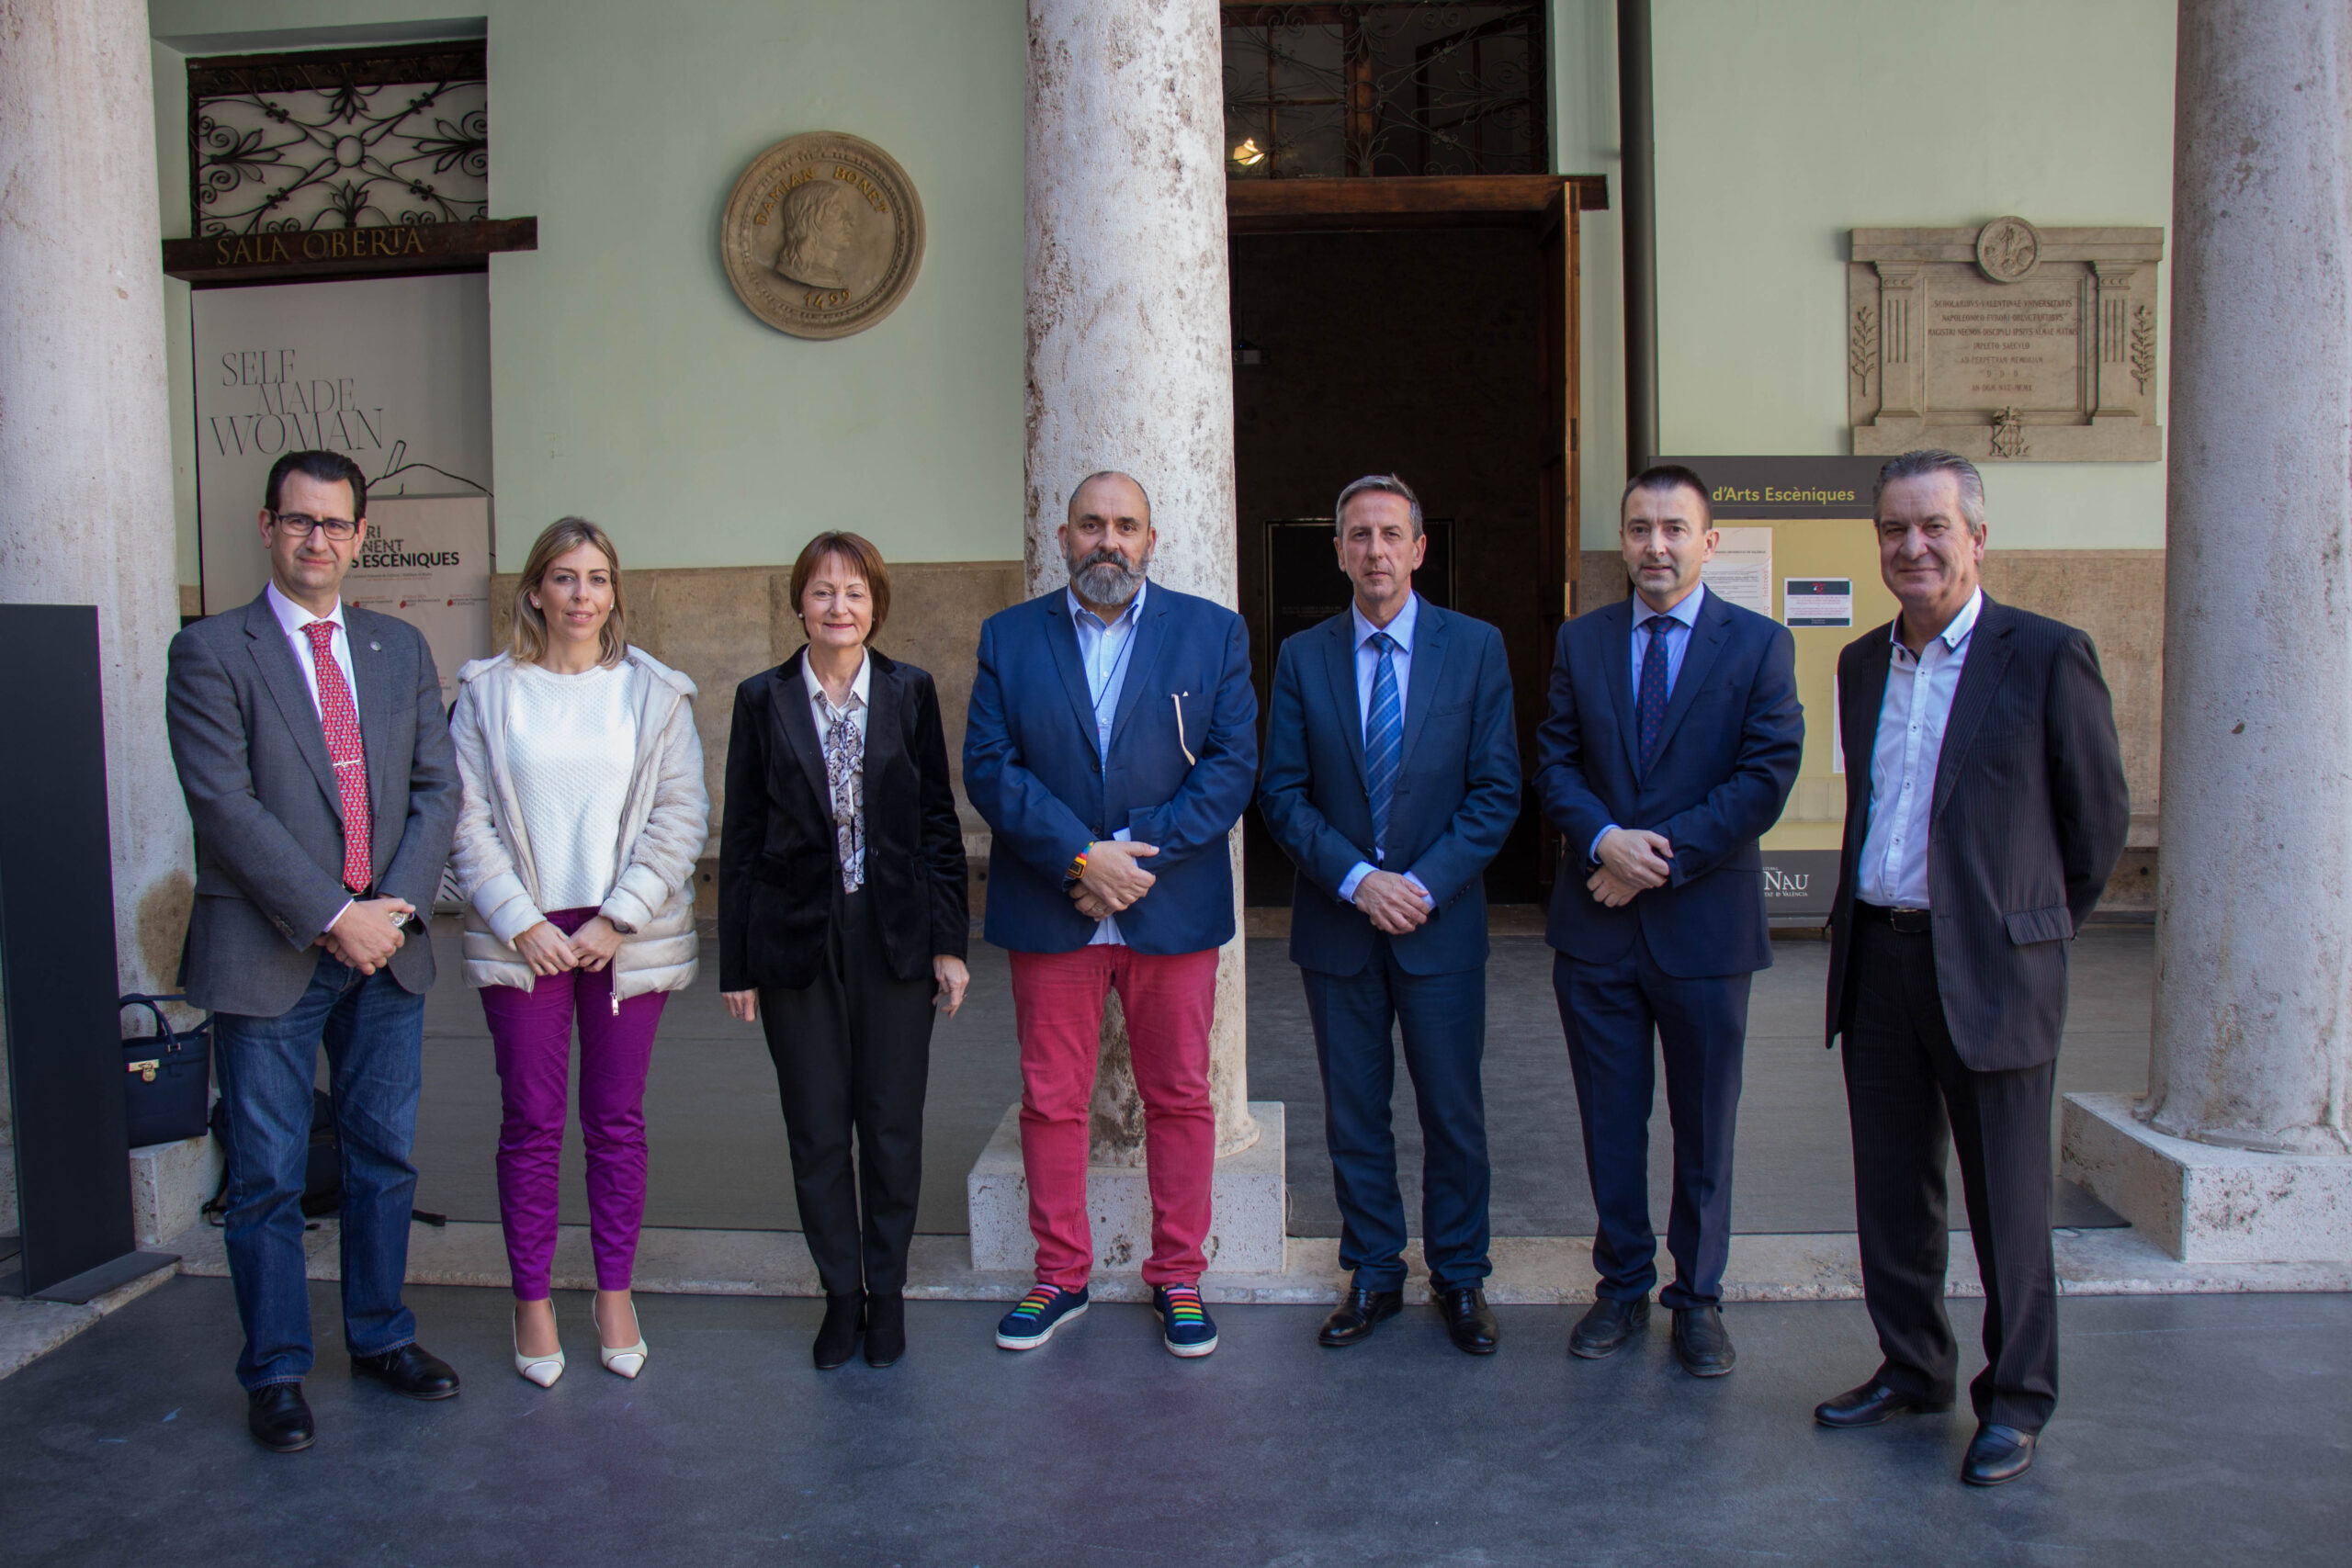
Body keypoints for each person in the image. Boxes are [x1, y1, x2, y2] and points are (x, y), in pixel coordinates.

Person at [1815, 449, 2126, 1487]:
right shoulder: (1861, 664)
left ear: (1976, 537)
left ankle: (2019, 1398)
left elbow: (2094, 827)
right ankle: (1913, 1367)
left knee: (2007, 1203)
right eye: (1895, 530)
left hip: (1993, 970)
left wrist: (2025, 929)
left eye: (1933, 527)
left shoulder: (2043, 656)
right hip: (1880, 959)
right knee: (1891, 1192)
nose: (1912, 547)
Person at [164, 448, 461, 1453]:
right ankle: (278, 1371)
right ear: (267, 526)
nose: (317, 541)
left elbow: (436, 790)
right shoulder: (212, 651)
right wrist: (338, 913)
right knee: (268, 1177)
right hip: (272, 951)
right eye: (299, 521)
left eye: (335, 525)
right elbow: (224, 806)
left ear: (360, 536)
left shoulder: (397, 648)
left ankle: (380, 1337)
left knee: (381, 1158)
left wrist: (397, 908)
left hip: (390, 953)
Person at [963, 470, 1258, 1359]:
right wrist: (1081, 858)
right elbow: (989, 764)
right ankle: (1060, 1276)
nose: (1109, 541)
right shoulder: (1010, 638)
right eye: (1092, 524)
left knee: (1179, 1096)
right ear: (1063, 537)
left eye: (1126, 525)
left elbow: (1231, 766)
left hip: (1166, 906)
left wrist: (1134, 854)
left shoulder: (1211, 632)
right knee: (1052, 1100)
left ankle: (1178, 1277)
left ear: (1151, 539)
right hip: (1055, 905)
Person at [1535, 463, 1803, 1378]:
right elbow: (1555, 762)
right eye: (1640, 529)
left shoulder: (1760, 647)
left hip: (1703, 932)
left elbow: (1762, 779)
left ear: (1707, 542)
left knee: (1703, 1126)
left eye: (1674, 529)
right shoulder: (1583, 641)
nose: (1656, 546)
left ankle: (1698, 1297)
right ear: (1623, 540)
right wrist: (1604, 837)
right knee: (1611, 1121)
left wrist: (1652, 860)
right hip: (1596, 933)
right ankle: (1620, 1287)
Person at [1258, 474, 1521, 1355]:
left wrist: (1419, 884)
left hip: (1440, 926)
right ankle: (1373, 1271)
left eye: (1391, 534)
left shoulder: (1476, 648)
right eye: (1358, 535)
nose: (1375, 551)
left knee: (1453, 1111)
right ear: (1337, 551)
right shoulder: (1302, 656)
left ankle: (1460, 1274)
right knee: (1355, 1112)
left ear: (1419, 548)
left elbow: (1495, 792)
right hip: (1339, 926)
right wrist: (1358, 879)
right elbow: (1282, 794)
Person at [447, 518, 708, 1389]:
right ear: (534, 591)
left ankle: (612, 1291)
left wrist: (617, 920)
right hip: (523, 937)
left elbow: (681, 818)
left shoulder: (654, 693)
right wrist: (522, 919)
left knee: (615, 1121)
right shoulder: (487, 692)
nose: (581, 594)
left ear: (614, 591)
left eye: (597, 577)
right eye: (563, 578)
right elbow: (464, 818)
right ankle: (530, 1299)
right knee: (530, 1120)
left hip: (619, 939)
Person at [719, 532, 970, 1371]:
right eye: (823, 592)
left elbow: (939, 822)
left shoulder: (908, 692)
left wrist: (949, 944)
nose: (838, 607)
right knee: (818, 1127)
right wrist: (737, 964)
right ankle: (839, 1294)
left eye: (855, 593)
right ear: (800, 603)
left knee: (892, 1126)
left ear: (876, 605)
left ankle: (888, 1293)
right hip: (796, 944)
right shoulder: (762, 700)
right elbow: (742, 837)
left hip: (894, 938)